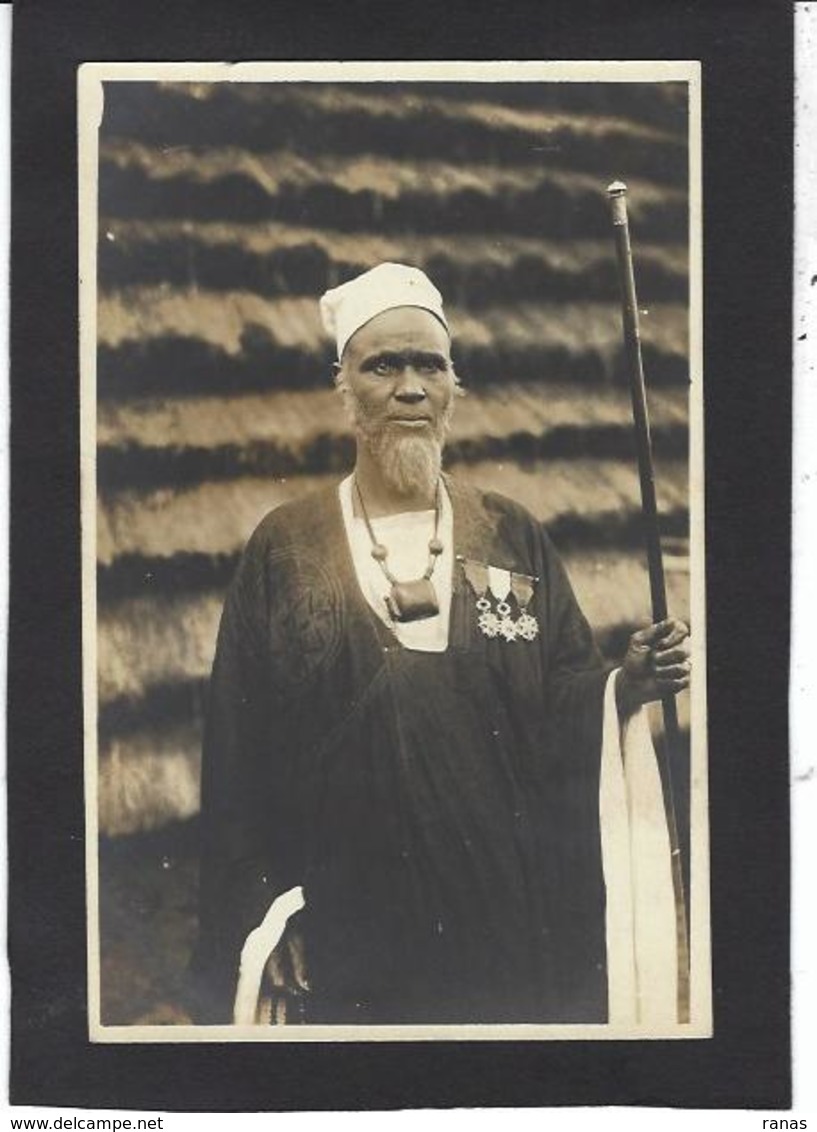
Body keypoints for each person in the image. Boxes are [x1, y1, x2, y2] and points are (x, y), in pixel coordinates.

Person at [191, 263, 691, 1028]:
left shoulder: (510, 532)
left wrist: (622, 686)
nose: (409, 387)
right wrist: (265, 908)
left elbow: (562, 697)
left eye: (429, 364)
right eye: (382, 365)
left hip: (501, 922)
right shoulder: (285, 546)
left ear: (454, 385)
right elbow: (237, 751)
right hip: (345, 933)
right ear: (343, 384)